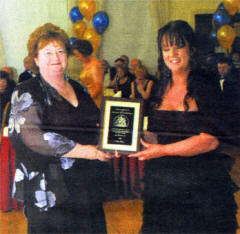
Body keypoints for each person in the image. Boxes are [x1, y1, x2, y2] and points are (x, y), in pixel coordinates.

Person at [129, 20, 238, 233]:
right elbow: (155, 135)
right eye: (166, 48)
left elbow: (209, 140)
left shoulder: (206, 86)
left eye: (179, 46)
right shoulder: (160, 86)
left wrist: (162, 150)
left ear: (192, 49)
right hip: (162, 184)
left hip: (201, 185)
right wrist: (128, 137)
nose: (173, 53)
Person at [9, 23, 112, 234]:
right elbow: (32, 137)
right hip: (50, 191)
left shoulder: (78, 88)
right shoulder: (26, 91)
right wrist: (86, 151)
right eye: (47, 52)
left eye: (60, 51)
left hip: (86, 185)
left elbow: (97, 124)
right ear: (36, 59)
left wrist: (113, 142)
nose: (55, 58)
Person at [71, 39, 104, 108]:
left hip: (94, 101)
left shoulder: (95, 65)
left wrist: (86, 100)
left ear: (84, 53)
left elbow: (98, 88)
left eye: (78, 55)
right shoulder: (86, 64)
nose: (77, 58)